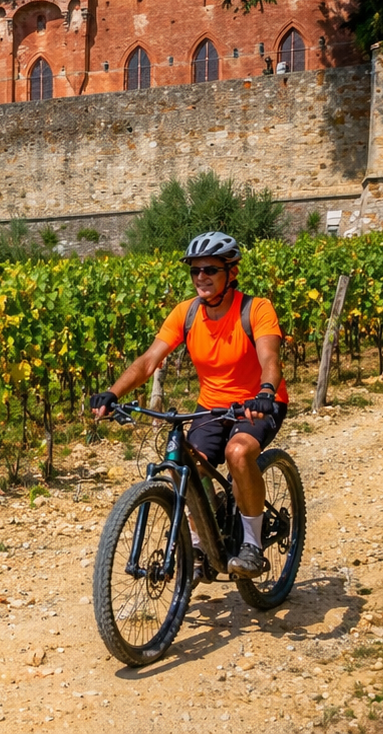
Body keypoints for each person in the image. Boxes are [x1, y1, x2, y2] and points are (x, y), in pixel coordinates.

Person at [88, 231, 289, 578]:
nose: (201, 278)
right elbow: (149, 361)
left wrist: (267, 392)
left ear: (232, 272)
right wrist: (113, 392)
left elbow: (270, 357)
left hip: (257, 404)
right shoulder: (187, 313)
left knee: (238, 453)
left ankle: (252, 545)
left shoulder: (256, 309)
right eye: (194, 271)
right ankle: (199, 541)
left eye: (210, 269)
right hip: (211, 406)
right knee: (184, 464)